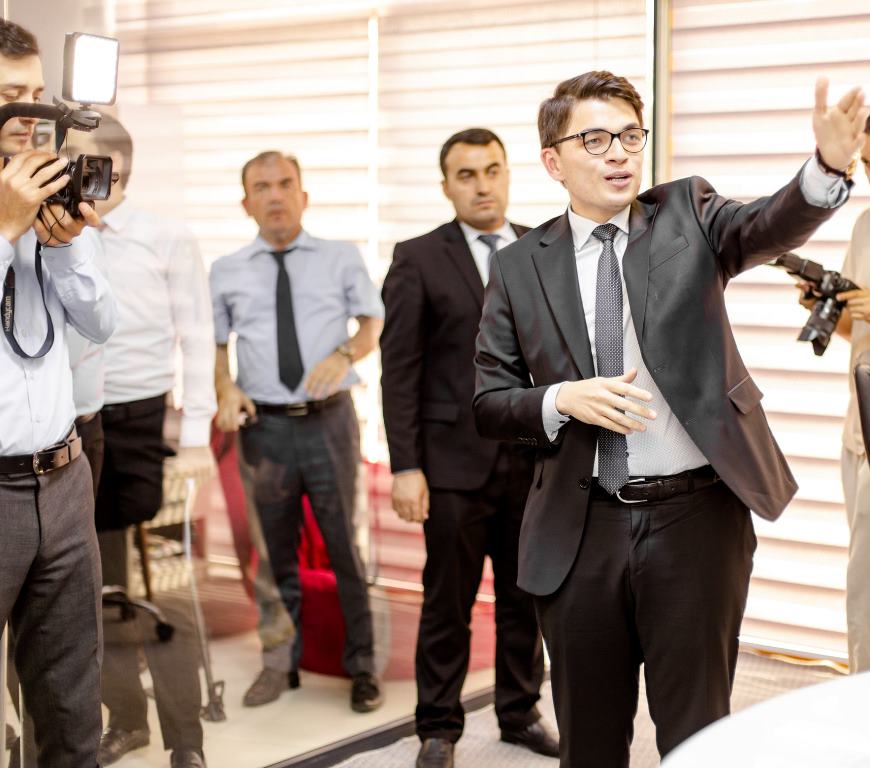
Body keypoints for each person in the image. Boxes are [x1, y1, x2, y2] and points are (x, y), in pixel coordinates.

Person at [472, 70, 866, 767]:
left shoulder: (687, 213)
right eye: (596, 139)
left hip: (696, 522)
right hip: (579, 526)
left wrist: (827, 169)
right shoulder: (518, 266)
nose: (620, 153)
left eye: (630, 136)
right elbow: (489, 400)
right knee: (590, 740)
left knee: (699, 737)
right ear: (553, 161)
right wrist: (560, 400)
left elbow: (767, 224)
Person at [380, 128, 558, 768]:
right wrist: (406, 466)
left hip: (532, 458)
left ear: (508, 174)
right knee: (447, 603)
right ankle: (437, 727)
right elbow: (399, 371)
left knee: (525, 597)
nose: (482, 185)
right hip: (452, 465)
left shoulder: (543, 247)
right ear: (446, 186)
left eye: (492, 170)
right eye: (466, 175)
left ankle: (519, 712)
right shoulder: (418, 258)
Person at [211, 151, 384, 712]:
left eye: (285, 184)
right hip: (263, 428)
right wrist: (225, 388)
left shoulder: (340, 258)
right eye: (262, 187)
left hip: (330, 422)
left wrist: (344, 354)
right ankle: (278, 664)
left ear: (303, 196)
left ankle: (362, 667)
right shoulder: (226, 270)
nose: (276, 196)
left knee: (346, 547)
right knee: (273, 552)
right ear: (246, 203)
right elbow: (217, 347)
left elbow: (372, 323)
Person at [67, 114, 215, 768]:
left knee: (163, 587)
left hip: (141, 421)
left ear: (114, 167)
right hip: (72, 422)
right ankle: (126, 718)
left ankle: (187, 737)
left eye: (75, 156)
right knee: (94, 587)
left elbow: (198, 336)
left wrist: (196, 436)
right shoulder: (52, 231)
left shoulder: (166, 236)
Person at [0, 19, 115, 768]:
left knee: (74, 712)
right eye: (14, 96)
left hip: (65, 479)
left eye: (40, 93)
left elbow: (100, 323)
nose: (35, 114)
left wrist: (64, 248)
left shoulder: (53, 186)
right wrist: (4, 229)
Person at [798, 116, 870, 673]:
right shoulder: (865, 225)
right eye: (866, 165)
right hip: (861, 429)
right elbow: (857, 327)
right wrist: (821, 304)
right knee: (862, 584)